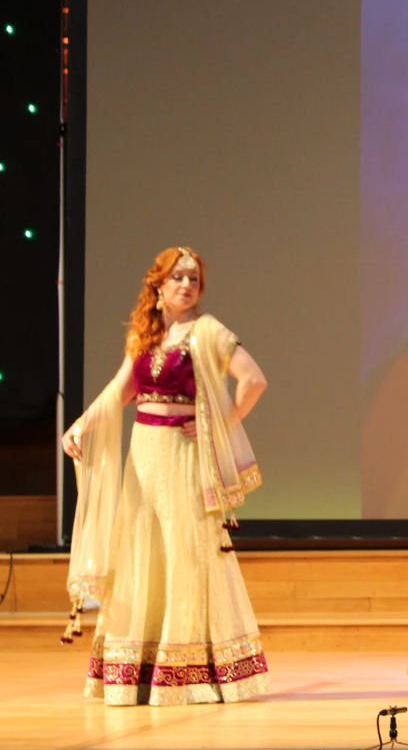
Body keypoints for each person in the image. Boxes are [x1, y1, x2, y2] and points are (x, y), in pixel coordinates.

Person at [62, 247, 270, 705]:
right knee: (142, 551)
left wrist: (219, 424)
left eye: (193, 279)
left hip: (183, 457)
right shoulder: (145, 334)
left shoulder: (207, 330)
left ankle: (187, 671)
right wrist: (79, 425)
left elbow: (253, 380)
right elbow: (121, 391)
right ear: (157, 285)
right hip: (143, 456)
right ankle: (140, 667)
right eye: (177, 277)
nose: (186, 285)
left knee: (184, 551)